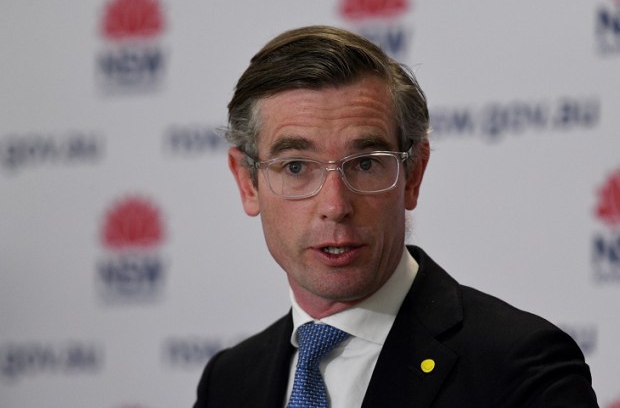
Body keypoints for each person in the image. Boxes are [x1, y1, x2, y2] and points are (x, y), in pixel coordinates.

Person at [194, 25, 598, 407]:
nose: (335, 206)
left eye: (366, 164)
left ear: (413, 174)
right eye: (296, 167)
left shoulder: (521, 369)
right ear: (247, 183)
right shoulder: (228, 382)